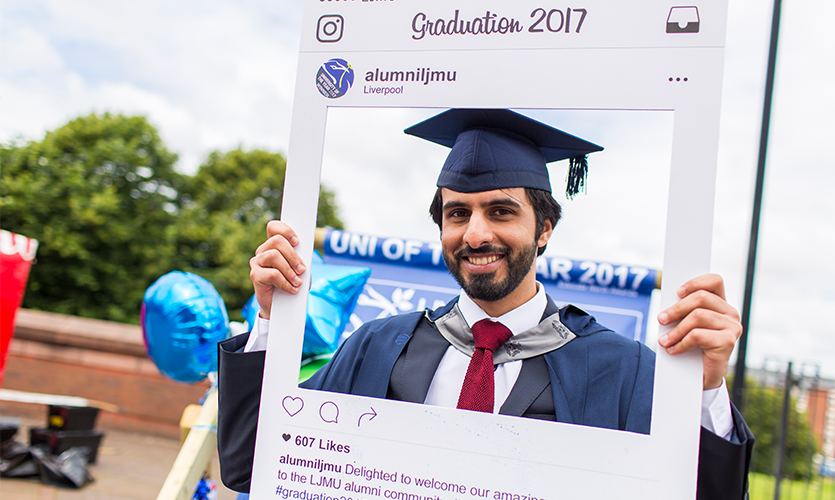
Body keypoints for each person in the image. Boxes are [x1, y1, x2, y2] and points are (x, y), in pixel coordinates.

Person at [217, 109, 753, 499]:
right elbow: (252, 463)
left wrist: (703, 390)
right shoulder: (377, 345)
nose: (474, 234)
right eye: (456, 214)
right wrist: (271, 319)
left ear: (544, 229)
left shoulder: (625, 371)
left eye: (500, 212)